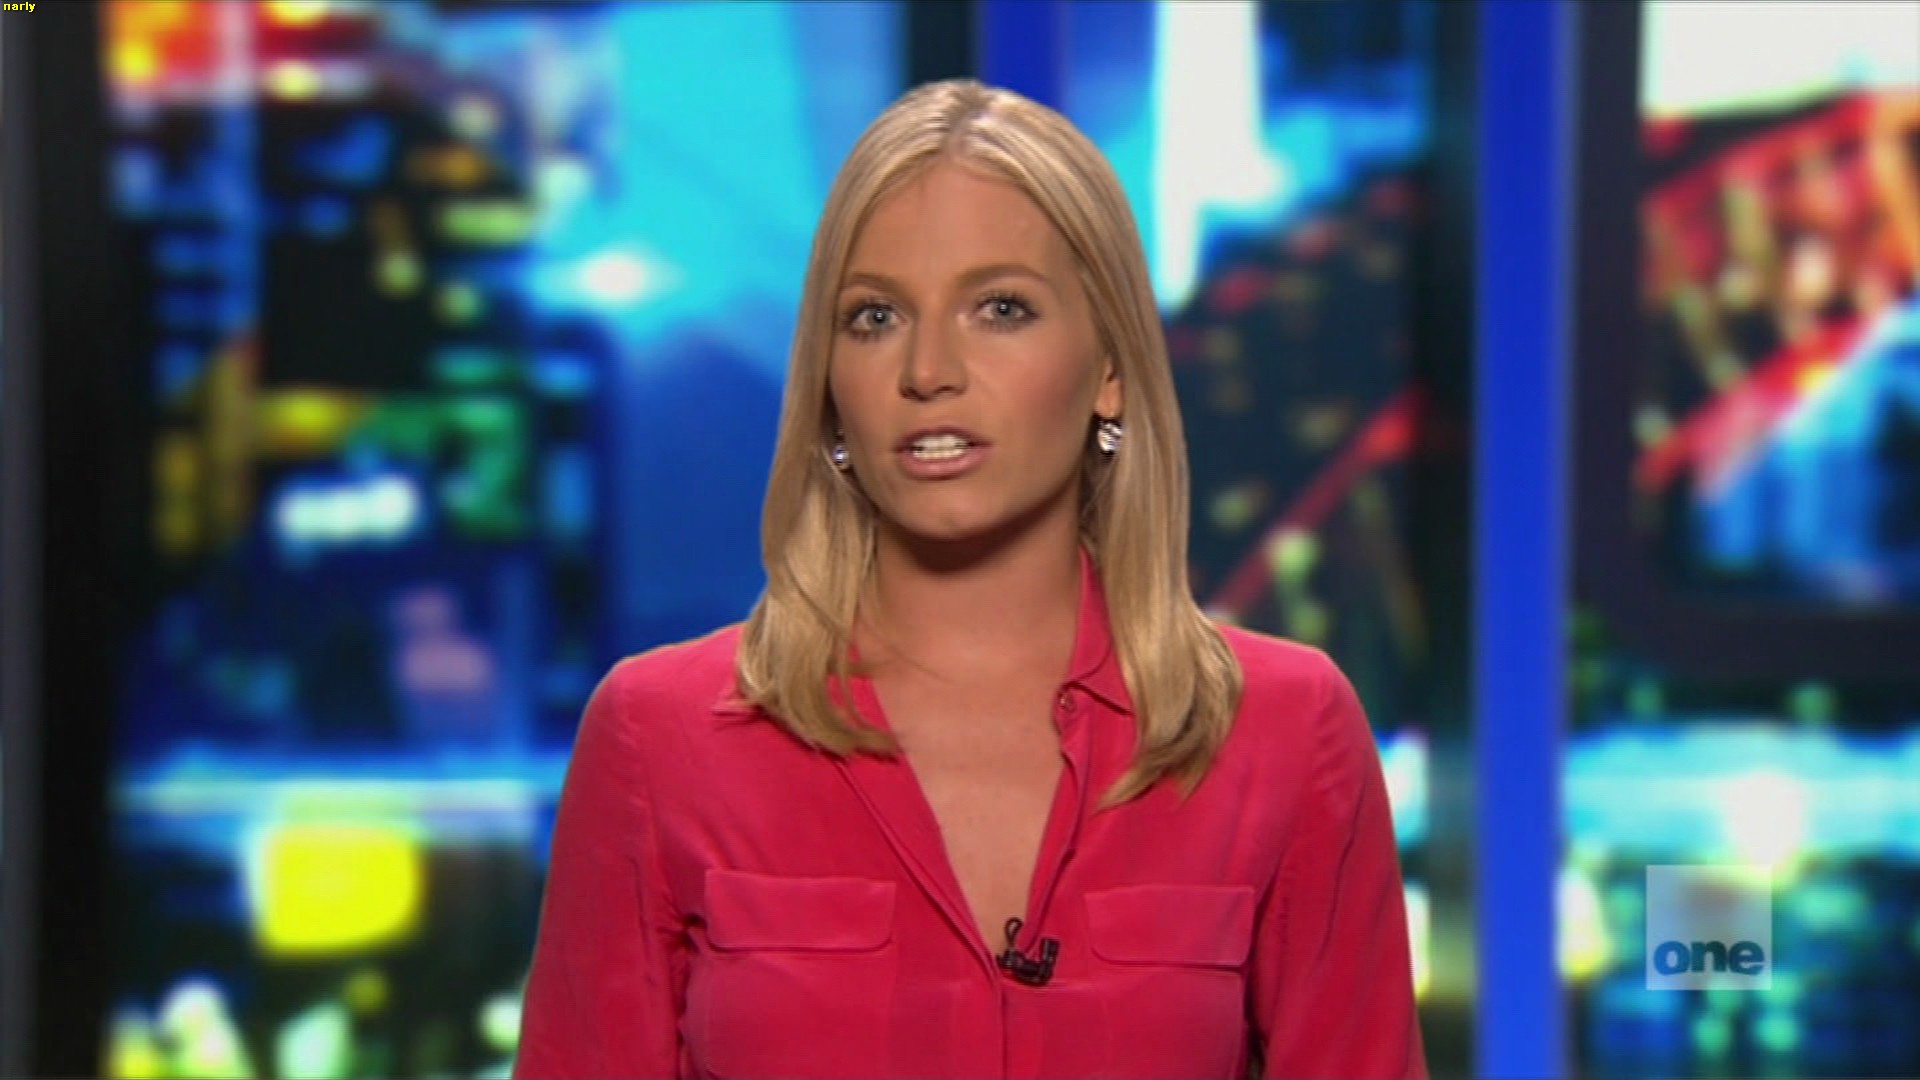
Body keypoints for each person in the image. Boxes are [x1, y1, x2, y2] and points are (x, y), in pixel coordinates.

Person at [514, 79, 1425, 1080]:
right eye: (874, 317)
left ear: (1110, 369)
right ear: (830, 385)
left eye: (1001, 308)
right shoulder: (659, 738)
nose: (929, 370)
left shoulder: (1283, 732)